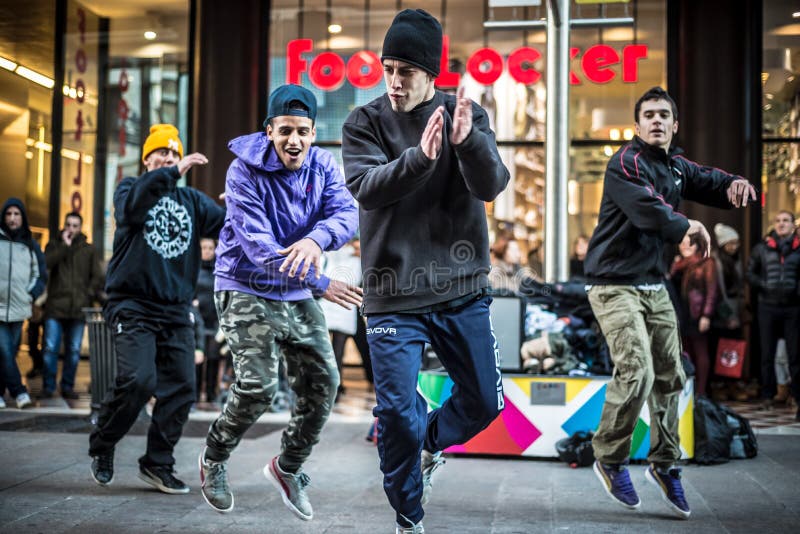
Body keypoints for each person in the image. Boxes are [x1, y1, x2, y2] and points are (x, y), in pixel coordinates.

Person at [341, 9, 510, 533]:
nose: (394, 81)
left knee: (485, 401)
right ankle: (409, 513)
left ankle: (429, 443)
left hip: (461, 291)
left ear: (431, 74)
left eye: (406, 71)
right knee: (395, 415)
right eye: (388, 68)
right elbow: (367, 187)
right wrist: (420, 157)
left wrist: (467, 144)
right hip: (393, 293)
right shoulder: (363, 121)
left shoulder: (466, 115)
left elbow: (491, 185)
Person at [583, 86, 756, 519]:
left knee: (672, 376)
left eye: (664, 115)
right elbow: (648, 209)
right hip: (612, 284)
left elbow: (706, 179)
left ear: (674, 125)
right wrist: (687, 224)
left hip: (654, 285)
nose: (657, 121)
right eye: (649, 115)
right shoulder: (625, 163)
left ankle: (664, 463)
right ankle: (609, 455)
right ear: (638, 125)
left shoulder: (675, 166)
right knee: (637, 369)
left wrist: (734, 183)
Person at [198, 84, 361, 519]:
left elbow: (347, 214)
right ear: (269, 130)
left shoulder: (324, 165)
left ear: (313, 133)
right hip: (245, 284)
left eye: (303, 131)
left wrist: (315, 238)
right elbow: (259, 248)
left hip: (294, 289)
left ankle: (288, 467)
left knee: (325, 381)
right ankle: (214, 457)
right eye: (285, 130)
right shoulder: (242, 172)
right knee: (258, 386)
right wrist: (320, 280)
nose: (295, 140)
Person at [88, 124, 226, 494]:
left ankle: (157, 463)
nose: (169, 159)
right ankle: (103, 442)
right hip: (133, 305)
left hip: (176, 310)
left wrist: (243, 201)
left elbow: (229, 226)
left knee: (182, 387)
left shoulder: (193, 202)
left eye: (174, 154)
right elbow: (131, 212)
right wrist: (170, 174)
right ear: (147, 158)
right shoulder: (129, 189)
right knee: (138, 381)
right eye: (161, 154)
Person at [41, 212, 104, 399]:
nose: (71, 229)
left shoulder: (89, 249)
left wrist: (88, 294)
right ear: (64, 225)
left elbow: (97, 276)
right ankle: (48, 386)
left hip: (78, 308)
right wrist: (64, 247)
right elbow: (46, 264)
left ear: (80, 227)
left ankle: (67, 386)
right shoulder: (53, 245)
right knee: (51, 348)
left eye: (75, 225)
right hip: (55, 307)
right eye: (68, 224)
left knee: (74, 350)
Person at [746, 210, 800, 417]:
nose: (781, 224)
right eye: (778, 220)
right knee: (766, 354)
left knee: (795, 355)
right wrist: (764, 285)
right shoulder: (762, 248)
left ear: (793, 225)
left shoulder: (798, 249)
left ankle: (796, 397)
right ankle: (768, 396)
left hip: (792, 308)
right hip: (767, 306)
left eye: (785, 220)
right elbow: (750, 273)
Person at [0, 198, 46, 409]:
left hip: (19, 308)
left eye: (16, 214)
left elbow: (41, 275)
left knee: (8, 352)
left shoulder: (30, 244)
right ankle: (20, 392)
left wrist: (30, 295)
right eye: (8, 214)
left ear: (22, 217)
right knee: (5, 349)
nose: (12, 218)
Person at [669, 231, 716, 397]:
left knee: (701, 352)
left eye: (689, 243)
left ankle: (701, 392)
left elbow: (711, 290)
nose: (684, 246)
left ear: (697, 245)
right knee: (686, 351)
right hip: (681, 314)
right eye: (681, 243)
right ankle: (690, 389)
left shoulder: (706, 262)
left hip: (697, 313)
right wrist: (675, 266)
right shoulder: (678, 263)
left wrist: (706, 315)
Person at [319, 237, 367, 401]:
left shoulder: (332, 253)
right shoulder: (353, 256)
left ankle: (331, 387)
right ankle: (333, 387)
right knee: (332, 352)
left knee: (330, 351)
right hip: (338, 306)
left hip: (336, 306)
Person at [194, 237, 223, 408]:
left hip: (214, 323)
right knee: (198, 361)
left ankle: (212, 397)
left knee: (213, 360)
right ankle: (196, 397)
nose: (207, 251)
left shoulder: (218, 271)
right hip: (198, 324)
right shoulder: (194, 270)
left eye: (210, 248)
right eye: (203, 247)